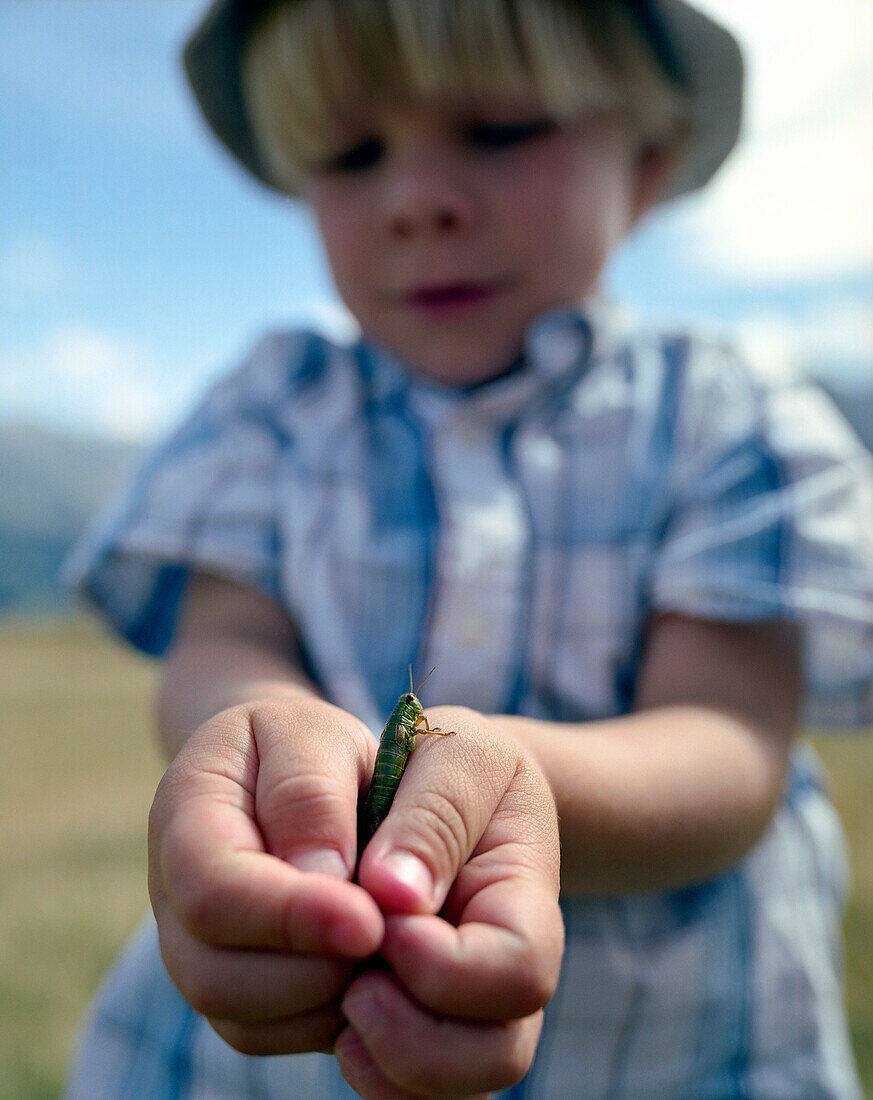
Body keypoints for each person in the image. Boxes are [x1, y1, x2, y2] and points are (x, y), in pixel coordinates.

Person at [63, 1, 873, 1097]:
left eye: (500, 128)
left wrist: (518, 779)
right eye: (354, 153)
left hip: (665, 1051)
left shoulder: (728, 414)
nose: (419, 199)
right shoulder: (277, 405)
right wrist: (257, 733)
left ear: (648, 162)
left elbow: (731, 738)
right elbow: (221, 638)